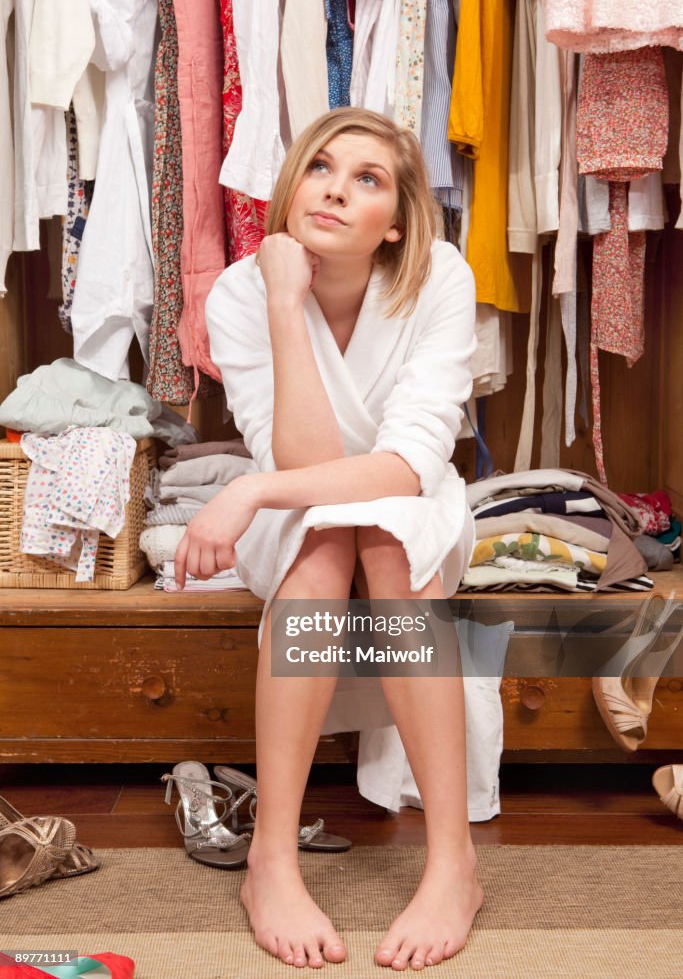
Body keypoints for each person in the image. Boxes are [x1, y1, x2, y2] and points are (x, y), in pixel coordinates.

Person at [174, 107, 483, 971]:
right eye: (320, 168)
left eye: (366, 179)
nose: (335, 191)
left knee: (384, 539)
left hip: (398, 497)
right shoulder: (243, 292)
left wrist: (251, 490)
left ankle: (452, 865)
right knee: (325, 546)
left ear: (395, 223)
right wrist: (283, 298)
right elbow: (303, 458)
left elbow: (406, 466)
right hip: (300, 511)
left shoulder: (441, 278)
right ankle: (270, 860)